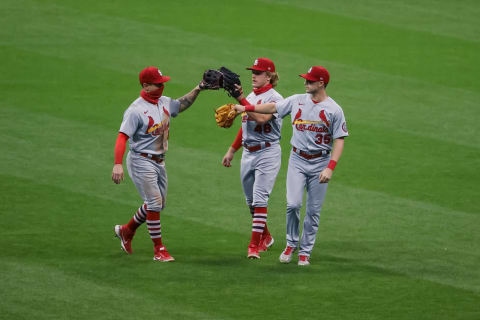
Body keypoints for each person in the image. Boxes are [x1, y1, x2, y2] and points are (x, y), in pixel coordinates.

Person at [234, 66, 349, 266]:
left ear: (321, 83)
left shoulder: (334, 109)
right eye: (306, 80)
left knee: (313, 210)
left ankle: (305, 251)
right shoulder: (297, 100)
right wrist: (247, 107)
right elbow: (272, 108)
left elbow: (339, 139)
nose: (306, 83)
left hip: (320, 161)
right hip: (297, 160)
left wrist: (330, 167)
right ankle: (291, 244)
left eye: (310, 81)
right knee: (293, 204)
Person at [112, 66, 207, 262]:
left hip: (159, 162)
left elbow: (180, 105)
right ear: (146, 86)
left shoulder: (163, 102)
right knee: (154, 203)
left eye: (163, 83)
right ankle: (159, 250)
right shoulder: (135, 110)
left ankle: (127, 231)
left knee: (157, 204)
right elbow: (122, 137)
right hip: (141, 160)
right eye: (158, 84)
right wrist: (117, 164)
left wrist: (199, 88)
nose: (162, 87)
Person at [222, 58, 283, 259]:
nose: (253, 75)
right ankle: (266, 236)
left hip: (268, 152)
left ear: (269, 76)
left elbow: (262, 118)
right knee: (251, 203)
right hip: (248, 152)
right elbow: (246, 127)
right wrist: (232, 150)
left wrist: (241, 101)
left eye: (258, 72)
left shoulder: (277, 98)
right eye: (253, 72)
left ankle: (253, 246)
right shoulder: (249, 96)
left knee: (259, 199)